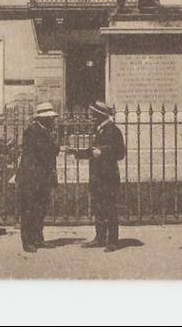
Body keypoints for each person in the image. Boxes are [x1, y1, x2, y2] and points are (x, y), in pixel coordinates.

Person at [71, 101, 126, 252]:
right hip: (97, 176)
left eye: (93, 115)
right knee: (98, 207)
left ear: (100, 115)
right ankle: (100, 238)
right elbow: (94, 151)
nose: (91, 117)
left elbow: (120, 153)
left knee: (110, 208)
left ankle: (112, 241)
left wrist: (103, 152)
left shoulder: (113, 130)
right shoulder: (99, 129)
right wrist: (78, 153)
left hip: (108, 176)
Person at [17, 102, 61, 253]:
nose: (51, 120)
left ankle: (38, 238)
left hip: (42, 177)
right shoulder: (32, 131)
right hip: (30, 178)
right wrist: (54, 144)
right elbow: (45, 152)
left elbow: (52, 151)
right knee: (29, 210)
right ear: (41, 119)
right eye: (49, 118)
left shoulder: (46, 131)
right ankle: (27, 241)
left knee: (41, 209)